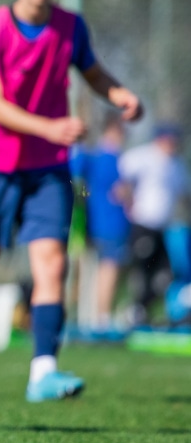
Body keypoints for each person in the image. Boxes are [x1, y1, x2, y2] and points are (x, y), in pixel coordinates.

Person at [0, 0, 143, 403]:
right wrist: (51, 128)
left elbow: (93, 73)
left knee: (54, 264)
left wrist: (119, 95)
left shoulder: (71, 27)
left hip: (49, 171)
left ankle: (43, 371)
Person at [118, 122, 190, 326]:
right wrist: (128, 200)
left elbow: (183, 194)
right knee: (142, 271)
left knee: (164, 276)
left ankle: (142, 310)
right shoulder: (143, 157)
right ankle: (133, 311)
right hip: (143, 225)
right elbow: (122, 181)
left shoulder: (176, 165)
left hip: (163, 229)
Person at [69, 115, 130, 334]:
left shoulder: (98, 158)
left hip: (97, 224)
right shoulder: (111, 159)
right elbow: (74, 173)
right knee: (108, 269)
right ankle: (100, 318)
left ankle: (92, 316)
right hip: (108, 225)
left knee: (94, 270)